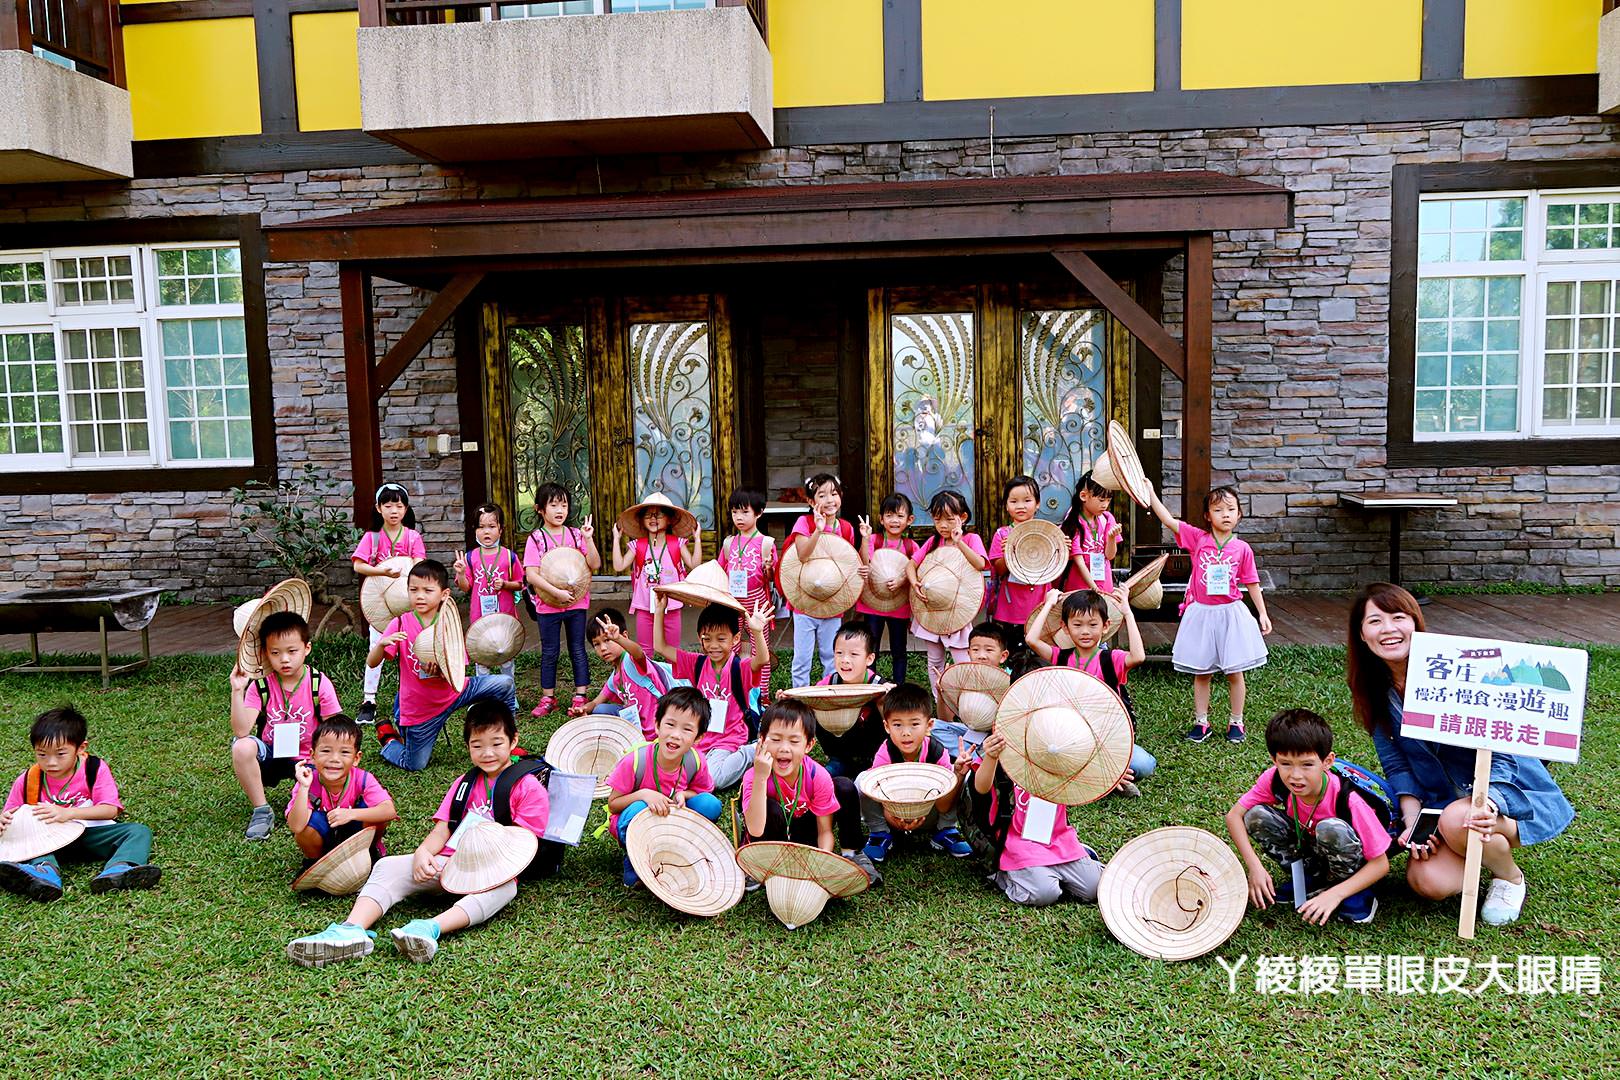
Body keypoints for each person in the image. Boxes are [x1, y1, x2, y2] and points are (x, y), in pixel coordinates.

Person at [1347, 582, 1573, 927]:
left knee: (1459, 820)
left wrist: (1491, 801)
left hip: (1506, 795)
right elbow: (1397, 766)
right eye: (1375, 621)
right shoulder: (1375, 691)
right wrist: (1412, 821)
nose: (1388, 629)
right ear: (1362, 634)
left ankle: (1509, 877)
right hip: (1443, 802)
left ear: (1416, 623)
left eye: (1398, 617)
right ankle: (1471, 840)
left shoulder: (1460, 672)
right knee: (1428, 883)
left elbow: (1505, 750)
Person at [286, 702, 548, 966]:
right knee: (388, 866)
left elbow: (524, 843)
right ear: (468, 746)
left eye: (497, 743)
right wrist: (424, 852)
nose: (487, 753)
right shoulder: (464, 783)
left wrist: (487, 866)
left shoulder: (528, 787)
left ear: (513, 741)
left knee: (504, 890)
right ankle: (350, 930)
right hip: (450, 863)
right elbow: (443, 827)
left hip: (494, 869)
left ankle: (428, 928)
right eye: (477, 745)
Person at [1224, 708, 1391, 925]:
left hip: (1351, 858)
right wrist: (1254, 867)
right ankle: (1308, 878)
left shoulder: (1348, 799)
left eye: (1307, 764)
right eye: (1285, 763)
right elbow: (1234, 816)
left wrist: (1336, 894)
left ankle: (1353, 890)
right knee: (1255, 815)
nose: (1295, 776)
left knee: (1331, 829)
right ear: (1273, 759)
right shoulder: (1274, 779)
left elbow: (1381, 864)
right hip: (1313, 846)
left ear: (1327, 761)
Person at [1147, 485, 1272, 744]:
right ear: (1207, 515)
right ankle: (1201, 721)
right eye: (1218, 510)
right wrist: (1150, 493)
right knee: (1202, 671)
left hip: (1230, 615)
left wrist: (1262, 613)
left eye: (1231, 509)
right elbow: (1168, 520)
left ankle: (1236, 720)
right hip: (1202, 614)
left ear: (1239, 515)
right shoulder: (1198, 539)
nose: (1225, 514)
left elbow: (1252, 582)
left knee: (1233, 670)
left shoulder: (1243, 549)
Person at [370, 559, 520, 771]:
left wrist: (442, 671)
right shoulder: (400, 623)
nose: (420, 596)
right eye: (413, 590)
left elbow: (458, 668)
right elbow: (372, 662)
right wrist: (380, 645)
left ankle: (506, 739)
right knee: (415, 764)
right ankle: (389, 740)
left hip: (456, 691)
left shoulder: (448, 622)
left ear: (444, 594)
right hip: (421, 708)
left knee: (504, 684)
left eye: (428, 590)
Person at [0, 707, 161, 901]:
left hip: (89, 835)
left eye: (60, 754)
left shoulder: (93, 769)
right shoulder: (28, 779)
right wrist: (4, 820)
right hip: (47, 842)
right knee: (31, 846)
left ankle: (119, 869)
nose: (51, 762)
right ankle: (44, 874)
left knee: (139, 831)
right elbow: (11, 814)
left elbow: (110, 810)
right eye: (42, 755)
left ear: (81, 748)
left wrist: (68, 814)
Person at [1026, 587, 1157, 797]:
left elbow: (1139, 656)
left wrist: (1127, 612)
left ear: (1105, 626)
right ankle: (1108, 776)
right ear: (1065, 628)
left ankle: (1099, 774)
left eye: (1093, 625)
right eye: (1077, 625)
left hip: (1107, 736)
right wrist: (1049, 603)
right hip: (1071, 736)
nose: (1085, 631)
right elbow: (1032, 640)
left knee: (1143, 765)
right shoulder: (1061, 657)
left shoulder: (1111, 659)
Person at [227, 609, 343, 840]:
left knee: (308, 806)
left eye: (292, 651)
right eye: (275, 653)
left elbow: (335, 733)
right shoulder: (261, 686)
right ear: (265, 653)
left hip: (309, 758)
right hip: (272, 755)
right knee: (241, 746)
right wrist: (237, 690)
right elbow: (241, 731)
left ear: (306, 648)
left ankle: (308, 795)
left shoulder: (319, 683)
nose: (285, 659)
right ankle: (261, 811)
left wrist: (326, 765)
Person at [967, 727, 1104, 908]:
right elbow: (981, 787)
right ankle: (1004, 876)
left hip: (1058, 839)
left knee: (1095, 888)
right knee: (1045, 893)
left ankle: (1070, 861)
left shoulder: (1059, 753)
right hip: (1018, 843)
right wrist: (991, 757)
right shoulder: (1004, 753)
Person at [738, 700, 873, 880]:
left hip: (804, 838)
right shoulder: (754, 776)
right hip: (766, 842)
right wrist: (761, 778)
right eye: (776, 739)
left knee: (844, 786)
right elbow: (755, 829)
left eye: (794, 741)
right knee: (769, 807)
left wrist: (822, 864)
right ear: (761, 741)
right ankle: (760, 868)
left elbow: (825, 831)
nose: (784, 748)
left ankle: (852, 854)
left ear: (809, 745)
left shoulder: (817, 775)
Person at [604, 686, 724, 887]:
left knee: (710, 804)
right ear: (657, 725)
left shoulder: (695, 760)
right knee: (637, 810)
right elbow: (614, 804)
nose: (676, 735)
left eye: (687, 729)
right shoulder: (635, 761)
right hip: (637, 821)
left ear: (699, 737)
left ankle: (679, 851)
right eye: (670, 724)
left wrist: (684, 794)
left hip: (673, 820)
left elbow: (703, 792)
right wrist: (643, 794)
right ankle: (634, 859)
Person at [653, 592, 772, 790]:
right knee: (669, 769)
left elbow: (761, 660)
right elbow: (661, 647)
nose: (713, 645)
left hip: (728, 739)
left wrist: (757, 632)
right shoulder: (697, 664)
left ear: (735, 639)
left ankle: (751, 752)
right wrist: (659, 612)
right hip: (699, 737)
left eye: (721, 639)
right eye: (707, 639)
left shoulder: (739, 668)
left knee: (713, 781)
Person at [857, 682, 973, 864]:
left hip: (929, 814)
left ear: (929, 725)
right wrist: (894, 819)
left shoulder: (936, 752)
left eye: (914, 724)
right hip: (894, 816)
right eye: (897, 725)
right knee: (863, 780)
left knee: (964, 777)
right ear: (886, 726)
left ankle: (946, 830)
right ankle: (880, 834)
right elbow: (881, 796)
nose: (906, 733)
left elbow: (943, 806)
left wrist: (958, 774)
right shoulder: (885, 753)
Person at [522, 484, 601, 717]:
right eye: (553, 505)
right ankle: (548, 697)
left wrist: (589, 539)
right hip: (548, 605)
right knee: (550, 651)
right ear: (540, 509)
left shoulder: (577, 535)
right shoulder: (536, 539)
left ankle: (580, 694)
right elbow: (532, 575)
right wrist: (556, 593)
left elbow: (594, 565)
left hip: (577, 604)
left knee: (578, 648)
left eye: (564, 505)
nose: (560, 510)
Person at [352, 482, 425, 726]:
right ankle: (369, 699)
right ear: (378, 508)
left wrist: (406, 575)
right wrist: (381, 572)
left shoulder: (413, 536)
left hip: (408, 602)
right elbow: (358, 565)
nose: (394, 510)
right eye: (388, 505)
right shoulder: (372, 538)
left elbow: (419, 565)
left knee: (414, 646)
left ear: (406, 509)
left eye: (399, 505)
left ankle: (416, 693)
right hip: (381, 605)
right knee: (378, 646)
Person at [286, 714, 397, 870]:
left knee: (375, 813)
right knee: (305, 828)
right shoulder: (308, 781)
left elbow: (389, 811)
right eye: (326, 751)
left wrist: (351, 814)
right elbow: (296, 827)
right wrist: (304, 787)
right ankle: (316, 862)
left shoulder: (363, 779)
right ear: (312, 755)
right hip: (325, 835)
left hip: (356, 831)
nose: (334, 759)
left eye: (344, 752)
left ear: (356, 758)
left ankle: (370, 851)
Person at [908, 489, 989, 701]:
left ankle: (964, 702)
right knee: (934, 660)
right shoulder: (934, 542)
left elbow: (980, 564)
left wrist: (959, 541)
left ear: (962, 518)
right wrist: (914, 582)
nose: (943, 525)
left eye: (949, 519)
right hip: (933, 610)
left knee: (961, 659)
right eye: (937, 519)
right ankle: (939, 700)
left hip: (958, 610)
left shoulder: (971, 539)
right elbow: (912, 563)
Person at [788, 473, 859, 688]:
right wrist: (818, 530)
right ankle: (800, 701)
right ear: (811, 501)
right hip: (805, 602)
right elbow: (802, 554)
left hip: (832, 602)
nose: (830, 500)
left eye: (834, 494)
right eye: (822, 495)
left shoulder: (845, 528)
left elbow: (849, 563)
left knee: (831, 655)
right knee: (802, 658)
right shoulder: (804, 523)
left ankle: (830, 695)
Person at [612, 495, 700, 654]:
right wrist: (616, 540)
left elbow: (694, 564)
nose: (653, 518)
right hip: (645, 606)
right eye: (648, 515)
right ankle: (649, 678)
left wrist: (698, 539)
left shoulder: (677, 543)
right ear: (641, 520)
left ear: (670, 519)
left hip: (671, 605)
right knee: (645, 650)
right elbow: (619, 566)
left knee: (673, 651)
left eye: (659, 514)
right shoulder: (637, 545)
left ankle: (673, 679)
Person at [717, 488, 777, 702]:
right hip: (732, 601)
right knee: (730, 645)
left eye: (744, 512)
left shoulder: (766, 543)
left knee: (759, 648)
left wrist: (769, 568)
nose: (739, 518)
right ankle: (731, 689)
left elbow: (771, 578)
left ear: (759, 513)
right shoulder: (728, 543)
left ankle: (762, 695)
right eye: (735, 512)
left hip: (757, 601)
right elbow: (720, 571)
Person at [454, 502, 524, 681]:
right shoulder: (470, 557)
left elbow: (520, 583)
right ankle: (484, 694)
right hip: (480, 616)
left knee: (505, 653)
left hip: (504, 615)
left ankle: (509, 692)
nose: (486, 532)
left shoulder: (509, 556)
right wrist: (461, 573)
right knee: (481, 655)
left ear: (501, 529)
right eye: (481, 527)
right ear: (474, 530)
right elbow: (465, 587)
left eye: (492, 527)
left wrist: (506, 585)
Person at [855, 492, 919, 683]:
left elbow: (916, 571)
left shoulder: (911, 546)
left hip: (899, 606)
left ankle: (898, 687)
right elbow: (864, 561)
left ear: (910, 520)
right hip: (872, 603)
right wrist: (865, 538)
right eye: (889, 515)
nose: (894, 520)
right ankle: (870, 686)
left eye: (900, 516)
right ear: (881, 519)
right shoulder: (874, 540)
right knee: (871, 648)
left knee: (899, 649)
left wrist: (903, 580)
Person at [986, 474, 1048, 669]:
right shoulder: (1002, 534)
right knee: (1011, 655)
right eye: (1014, 501)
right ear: (1006, 505)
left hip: (1040, 604)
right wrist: (1008, 552)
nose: (1020, 506)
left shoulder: (1048, 532)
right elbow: (998, 568)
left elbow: (1056, 568)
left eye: (1027, 500)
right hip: (1010, 607)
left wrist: (1061, 549)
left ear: (1037, 504)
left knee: (1040, 655)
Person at [573, 609, 667, 738]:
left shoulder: (632, 661)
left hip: (659, 728)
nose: (603, 648)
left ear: (625, 636)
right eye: (597, 644)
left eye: (607, 640)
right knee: (599, 710)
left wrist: (618, 639)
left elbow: (639, 653)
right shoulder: (614, 679)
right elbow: (595, 703)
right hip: (637, 729)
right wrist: (583, 709)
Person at [814, 622, 888, 779]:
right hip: (840, 757)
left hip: (875, 759)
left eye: (854, 654)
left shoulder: (880, 686)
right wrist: (790, 700)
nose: (845, 660)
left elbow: (895, 723)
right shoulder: (830, 683)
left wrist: (884, 701)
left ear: (869, 659)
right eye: (839, 653)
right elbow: (807, 703)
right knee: (825, 779)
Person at [933, 622, 1011, 756]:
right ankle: (975, 757)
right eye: (975, 650)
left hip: (998, 736)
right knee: (933, 726)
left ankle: (978, 755)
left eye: (989, 650)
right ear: (968, 653)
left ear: (1003, 656)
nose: (981, 655)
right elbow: (945, 719)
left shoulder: (1010, 680)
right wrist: (941, 692)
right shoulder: (963, 679)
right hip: (971, 732)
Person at [1058, 470, 1121, 593]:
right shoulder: (1073, 521)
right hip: (1079, 586)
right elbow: (1079, 561)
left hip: (1104, 582)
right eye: (1101, 500)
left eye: (1108, 500)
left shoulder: (1107, 518)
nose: (1105, 505)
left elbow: (1110, 556)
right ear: (1083, 496)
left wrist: (1112, 538)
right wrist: (1094, 588)